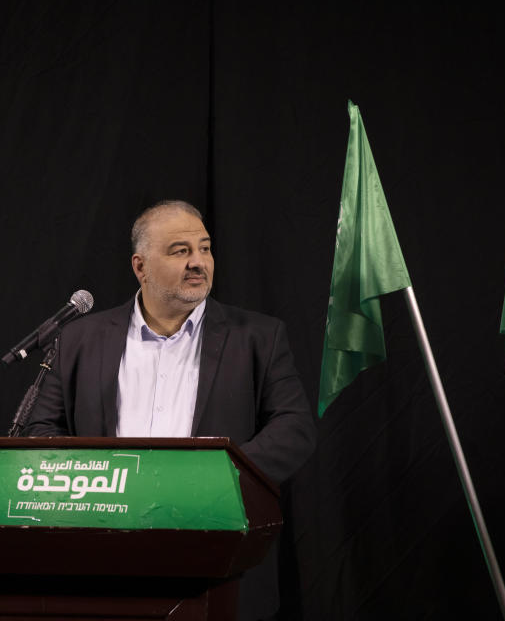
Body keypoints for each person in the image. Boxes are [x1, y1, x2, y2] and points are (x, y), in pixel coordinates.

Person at [23, 200, 316, 620]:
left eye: (205, 248)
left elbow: (294, 428)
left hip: (216, 558)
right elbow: (40, 429)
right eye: (180, 251)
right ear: (140, 267)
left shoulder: (258, 337)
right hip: (104, 562)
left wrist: (218, 476)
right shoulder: (81, 339)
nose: (198, 262)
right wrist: (91, 486)